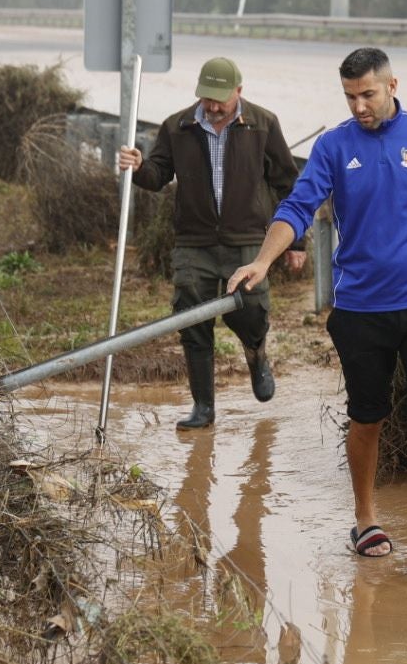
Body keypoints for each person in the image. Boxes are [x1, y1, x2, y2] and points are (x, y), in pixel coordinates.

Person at [229, 47, 407, 584]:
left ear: (393, 84)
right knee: (367, 416)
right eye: (349, 97)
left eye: (367, 94)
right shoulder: (333, 146)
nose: (359, 106)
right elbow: (296, 208)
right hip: (360, 307)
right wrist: (262, 260)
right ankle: (366, 520)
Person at [119, 56, 304, 430]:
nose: (213, 106)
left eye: (221, 99)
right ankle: (203, 407)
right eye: (207, 98)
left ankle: (257, 356)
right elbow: (158, 175)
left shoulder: (263, 125)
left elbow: (289, 185)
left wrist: (297, 242)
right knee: (192, 321)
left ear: (239, 91)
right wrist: (139, 167)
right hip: (194, 241)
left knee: (251, 312)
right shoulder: (178, 126)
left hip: (249, 239)